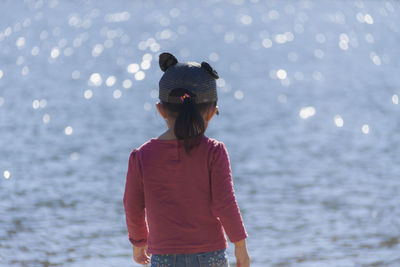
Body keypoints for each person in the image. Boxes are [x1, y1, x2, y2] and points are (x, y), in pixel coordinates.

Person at [123, 52, 250, 267]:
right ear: (212, 112)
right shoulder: (214, 152)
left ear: (160, 110)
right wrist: (240, 246)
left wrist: (139, 242)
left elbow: (132, 204)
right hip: (210, 256)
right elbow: (225, 202)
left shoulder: (142, 156)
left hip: (163, 257)